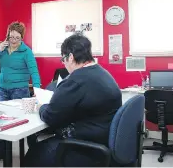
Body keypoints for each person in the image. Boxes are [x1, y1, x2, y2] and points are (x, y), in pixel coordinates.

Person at [23, 33, 122, 167]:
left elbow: (50, 117)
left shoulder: (75, 80)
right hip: (104, 140)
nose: (63, 64)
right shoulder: (103, 73)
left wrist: (41, 106)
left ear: (70, 57)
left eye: (63, 59)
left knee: (32, 157)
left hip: (86, 148)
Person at [0, 21, 41, 164]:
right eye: (11, 37)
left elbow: (34, 71)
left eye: (17, 38)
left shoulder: (26, 51)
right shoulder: (3, 49)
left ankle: (36, 151)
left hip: (20, 90)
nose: (14, 41)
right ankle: (0, 152)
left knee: (27, 121)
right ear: (7, 36)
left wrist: (37, 90)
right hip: (3, 89)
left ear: (22, 38)